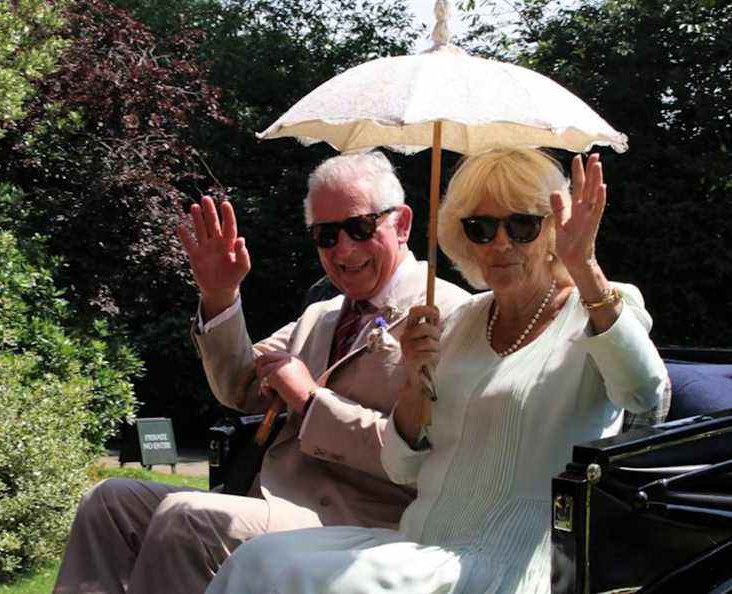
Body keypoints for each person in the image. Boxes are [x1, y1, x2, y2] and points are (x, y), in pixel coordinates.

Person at [205, 148, 670, 594]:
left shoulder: (599, 308)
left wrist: (585, 268)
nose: (501, 242)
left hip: (511, 559)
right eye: (482, 227)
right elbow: (402, 465)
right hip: (420, 540)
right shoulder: (461, 321)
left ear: (554, 231)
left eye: (523, 225)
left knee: (316, 583)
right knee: (258, 559)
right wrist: (415, 382)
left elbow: (646, 397)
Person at [52, 152, 470, 594]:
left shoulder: (449, 316)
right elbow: (240, 385)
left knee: (188, 519)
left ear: (401, 223)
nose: (343, 250)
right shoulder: (321, 316)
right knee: (110, 501)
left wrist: (310, 402)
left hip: (363, 519)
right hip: (270, 503)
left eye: (359, 228)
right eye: (326, 236)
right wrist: (220, 295)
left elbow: (424, 458)